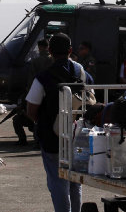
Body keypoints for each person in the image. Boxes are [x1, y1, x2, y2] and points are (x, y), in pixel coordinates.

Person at [26, 33, 83, 212]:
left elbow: (31, 110)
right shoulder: (79, 71)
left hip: (52, 137)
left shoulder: (42, 77)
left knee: (58, 182)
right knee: (75, 181)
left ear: (50, 51)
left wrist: (43, 122)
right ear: (70, 50)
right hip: (76, 133)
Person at [13, 39, 53, 146]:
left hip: (38, 93)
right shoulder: (53, 60)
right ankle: (39, 141)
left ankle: (35, 140)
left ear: (39, 47)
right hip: (52, 95)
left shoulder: (35, 62)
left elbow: (31, 81)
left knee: (36, 118)